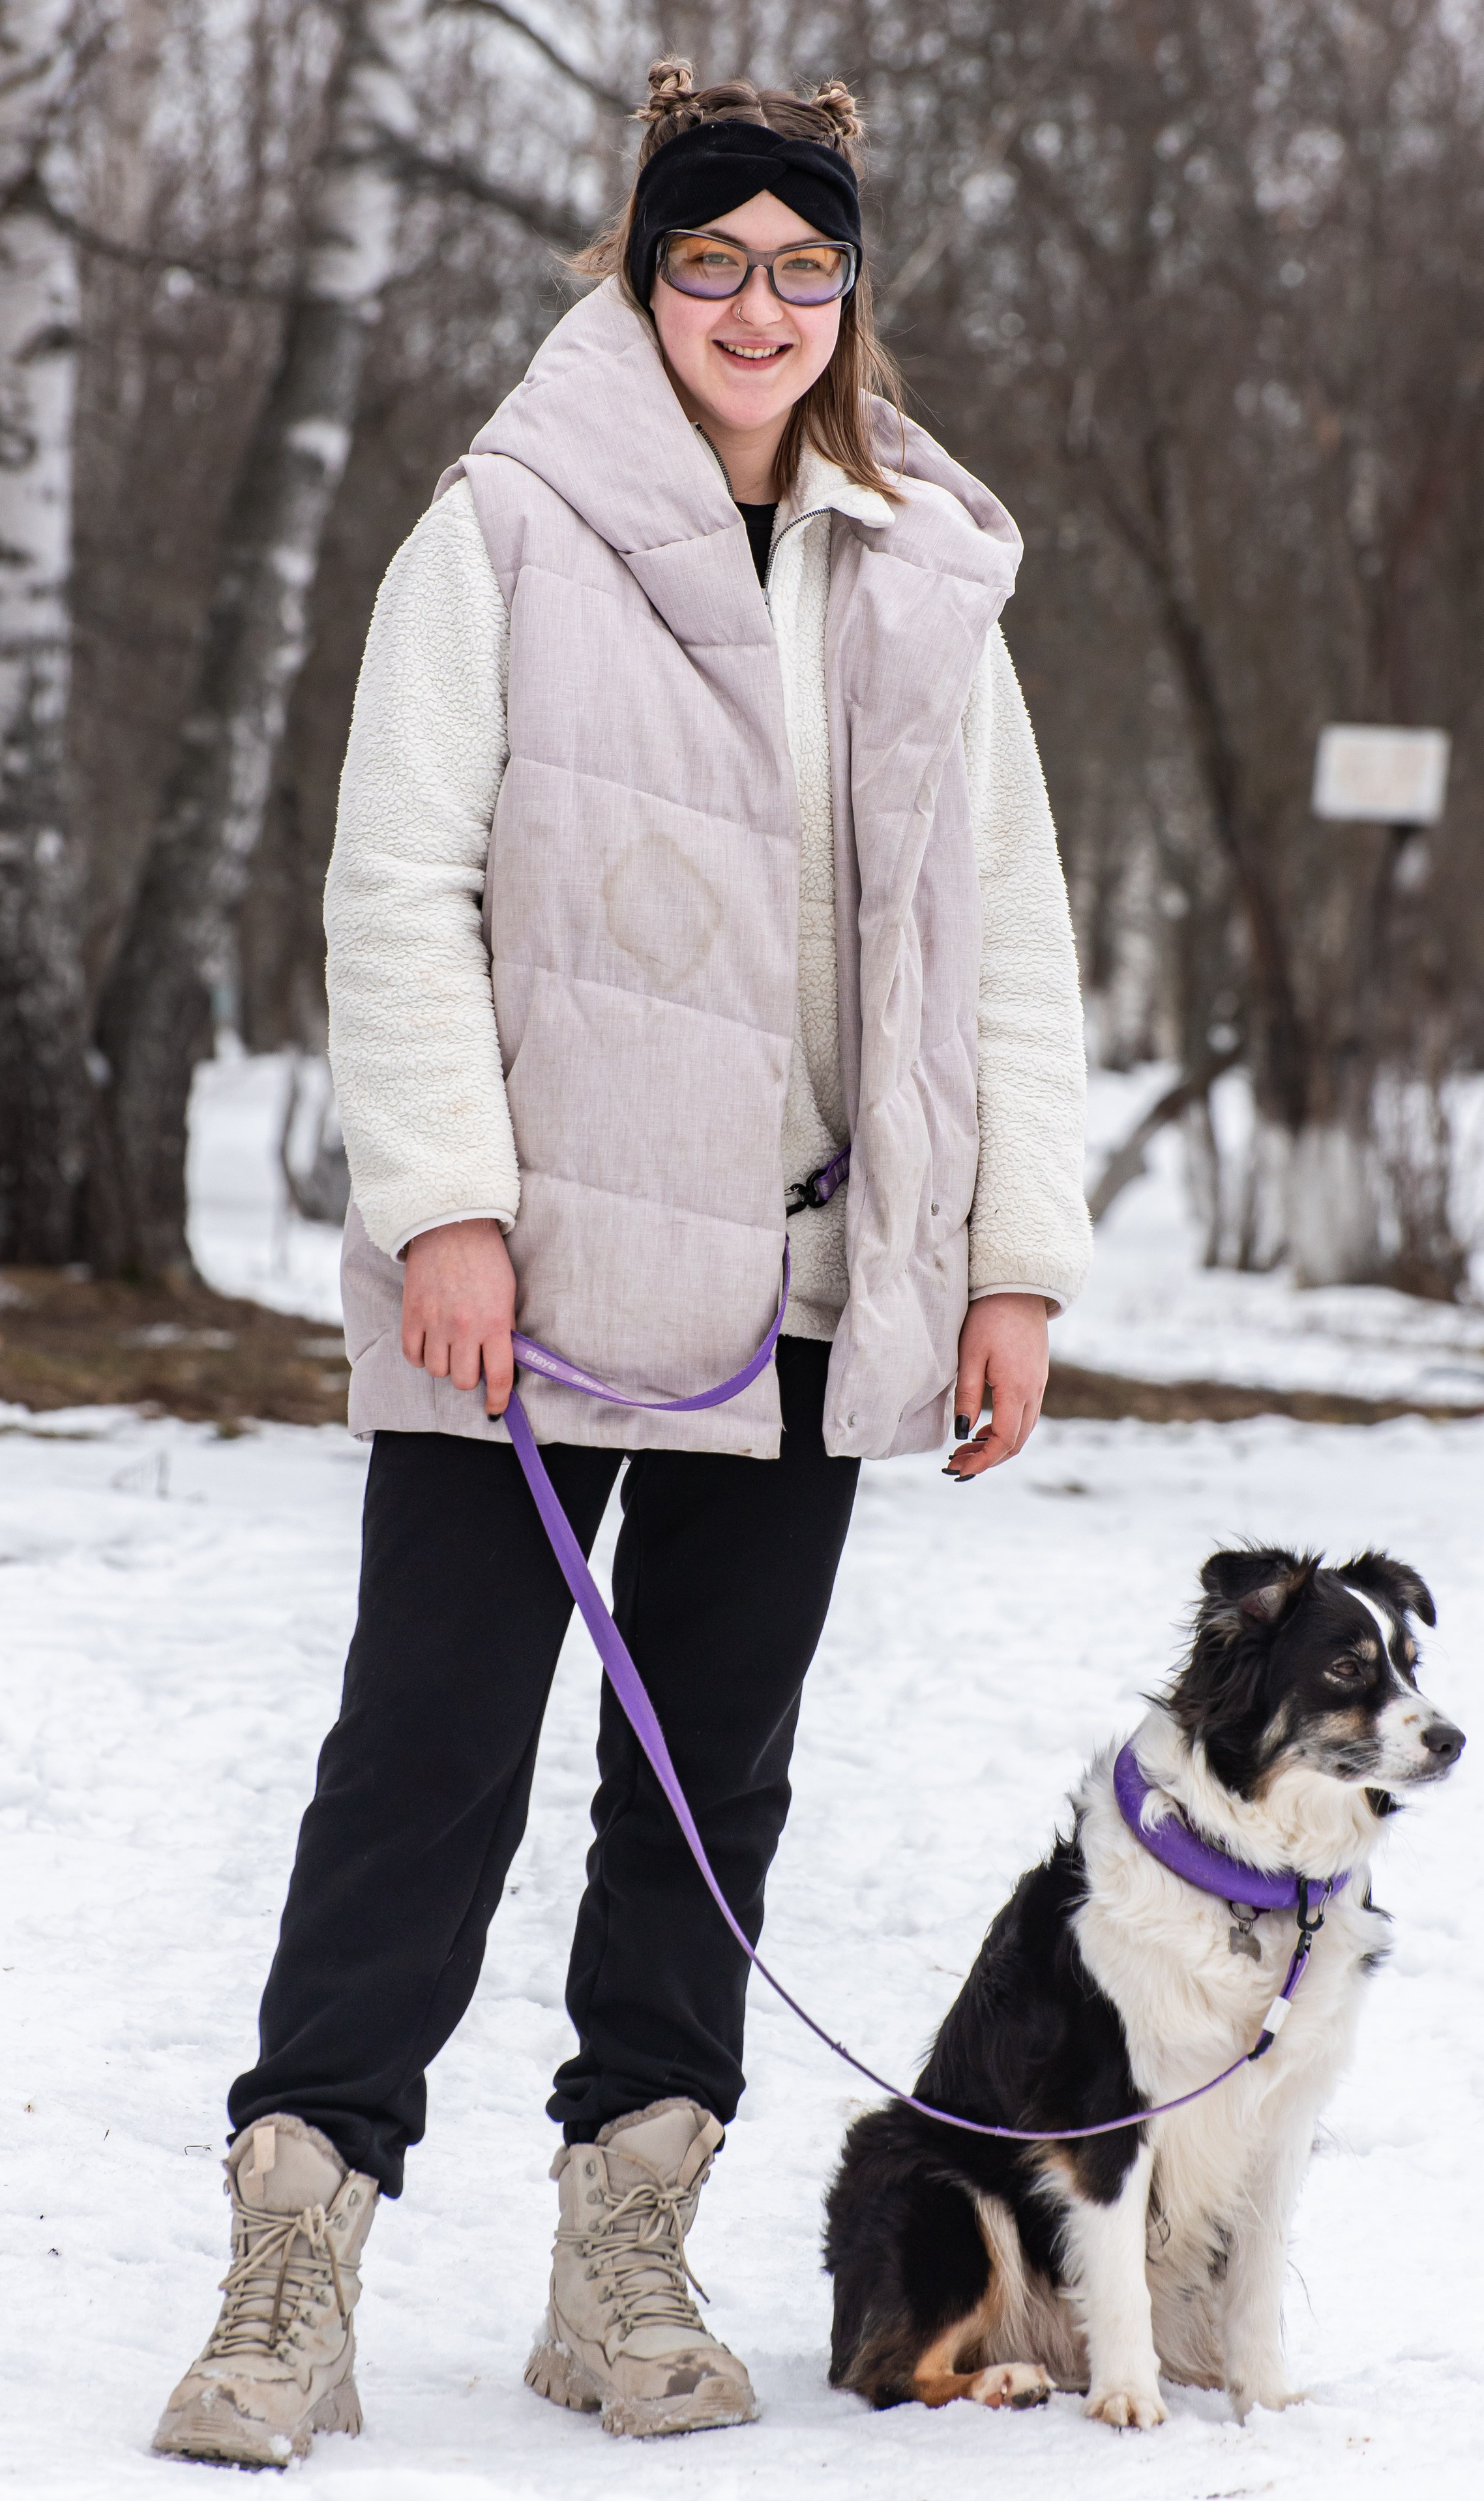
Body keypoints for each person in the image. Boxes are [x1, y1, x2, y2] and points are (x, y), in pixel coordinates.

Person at [152, 59, 1091, 2466]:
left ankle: (624, 2248)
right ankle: (294, 2256)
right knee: (428, 1761)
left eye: (803, 266)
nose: (758, 308)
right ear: (642, 275)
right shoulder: (501, 531)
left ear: (850, 290)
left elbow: (1007, 940)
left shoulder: (921, 569)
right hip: (532, 1284)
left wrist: (1008, 1262)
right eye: (710, 263)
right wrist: (442, 1204)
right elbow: (398, 884)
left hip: (813, 1291)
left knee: (706, 1788)